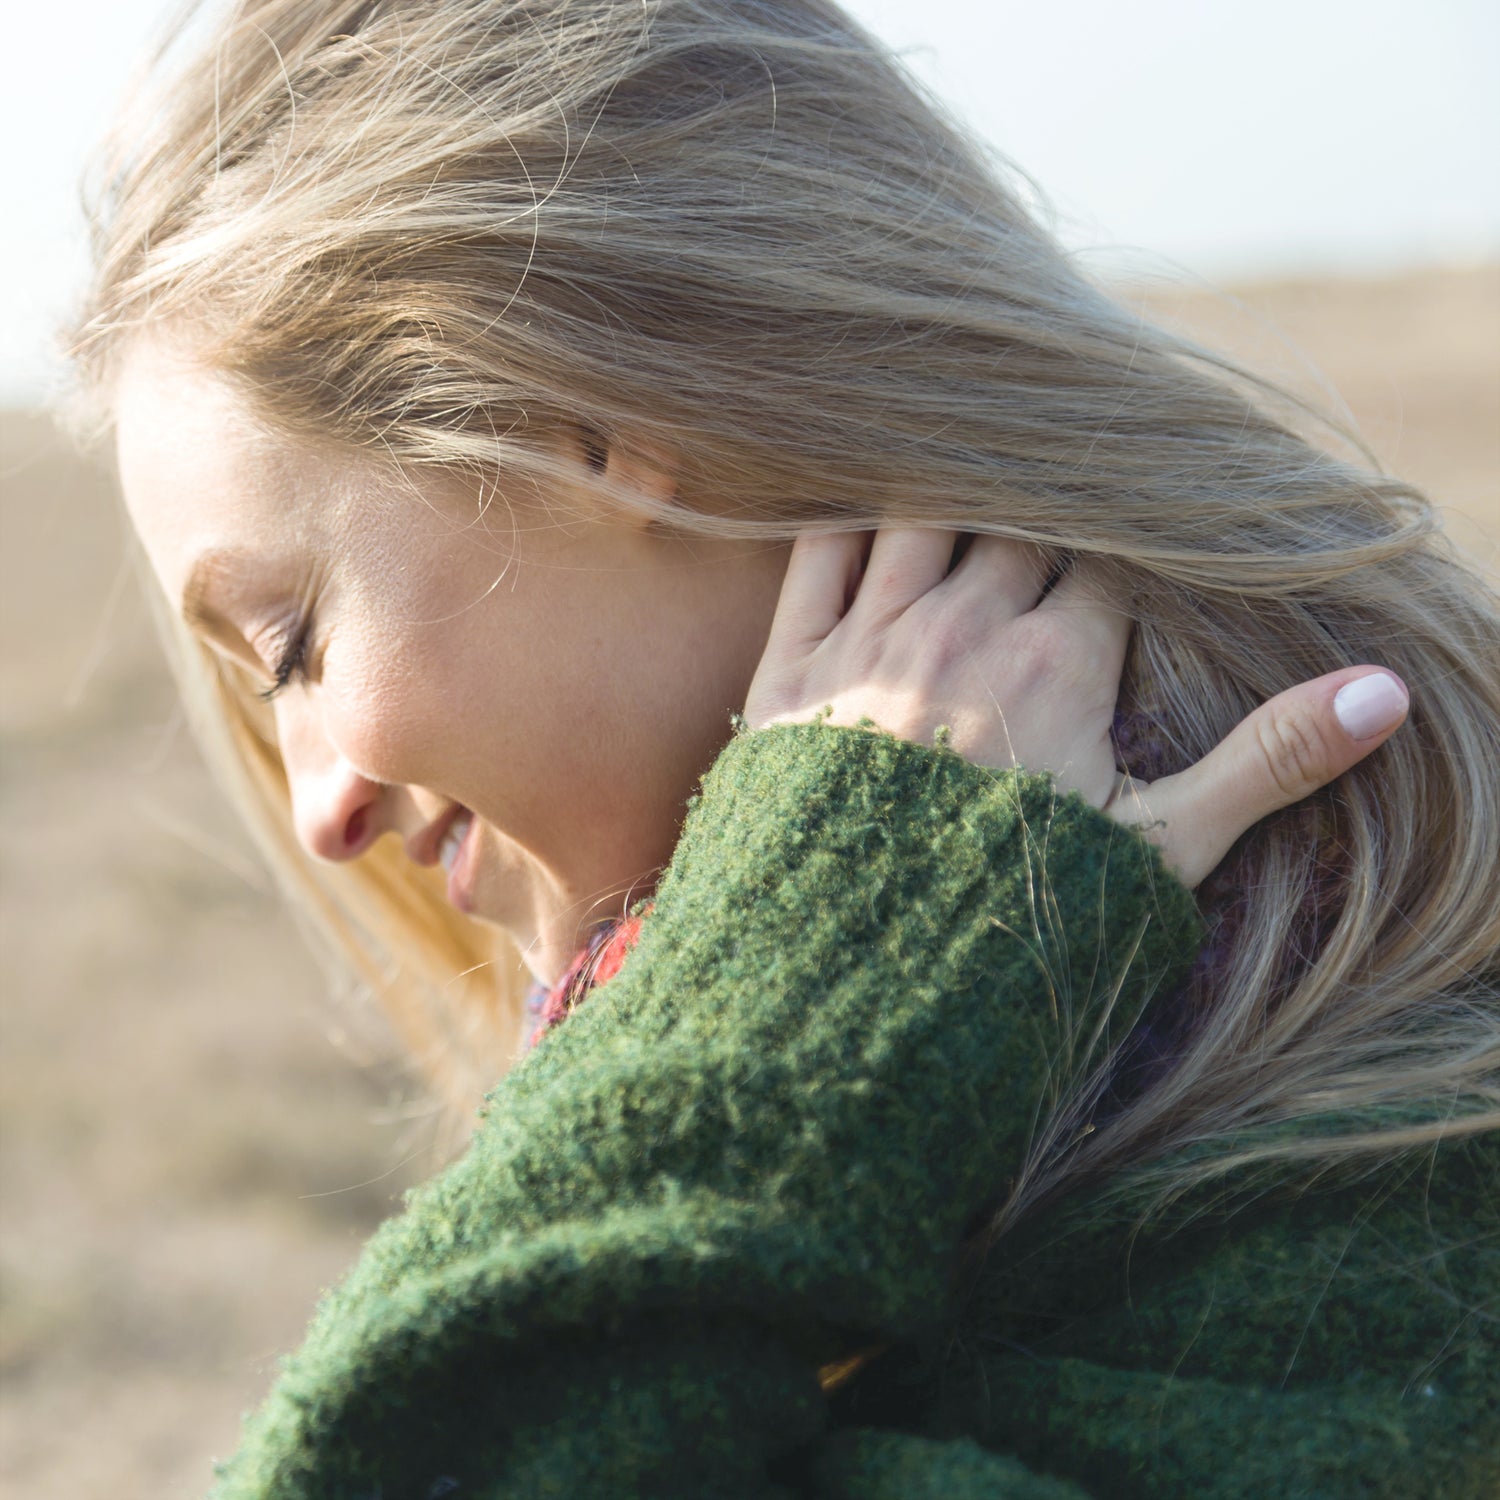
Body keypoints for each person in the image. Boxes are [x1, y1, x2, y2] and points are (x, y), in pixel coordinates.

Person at [70, 1, 1496, 1495]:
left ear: (585, 420)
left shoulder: (1383, 1204)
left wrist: (827, 939)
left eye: (291, 642)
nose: (322, 816)